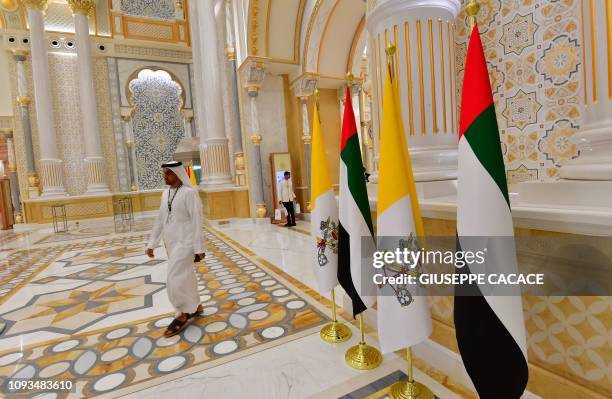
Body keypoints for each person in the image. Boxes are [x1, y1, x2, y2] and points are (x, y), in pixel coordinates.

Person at [146, 161, 206, 337]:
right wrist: (152, 243)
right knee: (186, 275)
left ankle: (181, 313)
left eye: (168, 173)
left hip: (186, 243)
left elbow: (196, 220)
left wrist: (198, 247)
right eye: (164, 173)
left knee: (174, 278)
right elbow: (160, 219)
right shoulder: (165, 193)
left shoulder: (189, 193)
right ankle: (195, 305)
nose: (165, 176)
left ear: (178, 174)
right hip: (172, 243)